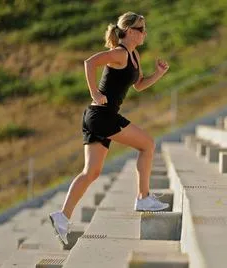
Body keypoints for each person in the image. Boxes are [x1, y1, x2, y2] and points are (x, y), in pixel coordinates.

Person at [49, 12, 170, 245]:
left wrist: (159, 74)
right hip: (101, 116)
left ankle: (62, 217)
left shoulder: (134, 55)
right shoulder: (119, 53)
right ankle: (143, 197)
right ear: (130, 31)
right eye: (142, 29)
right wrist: (94, 92)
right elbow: (90, 62)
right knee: (147, 144)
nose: (145, 33)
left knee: (91, 172)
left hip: (99, 117)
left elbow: (139, 85)